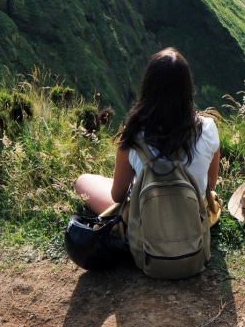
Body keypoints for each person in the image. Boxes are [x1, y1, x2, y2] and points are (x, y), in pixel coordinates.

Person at [75, 48, 220, 217]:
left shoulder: (134, 133)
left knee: (84, 181)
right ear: (187, 87)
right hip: (193, 223)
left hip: (145, 227)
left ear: (148, 87)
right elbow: (211, 182)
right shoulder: (208, 128)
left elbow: (117, 196)